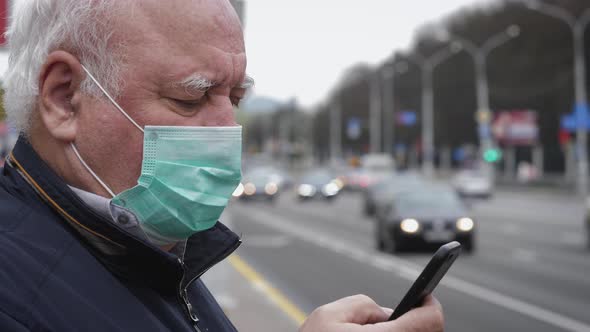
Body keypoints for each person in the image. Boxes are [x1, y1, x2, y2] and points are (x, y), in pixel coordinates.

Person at [0, 1, 444, 331]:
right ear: (64, 98)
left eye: (234, 99)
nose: (228, 130)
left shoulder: (141, 246)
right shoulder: (14, 298)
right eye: (190, 98)